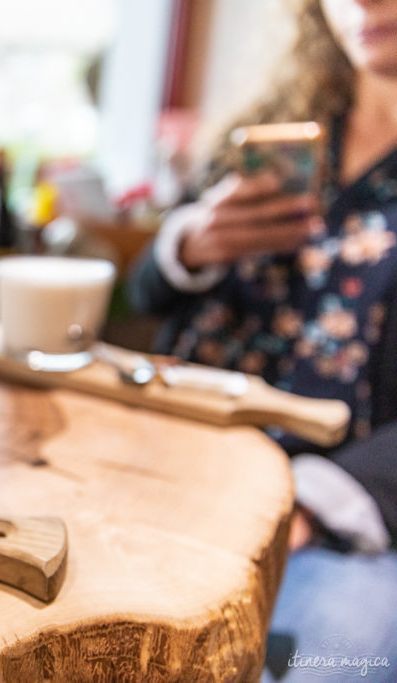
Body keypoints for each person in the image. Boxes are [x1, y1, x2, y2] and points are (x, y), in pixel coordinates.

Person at [128, 0, 397, 679]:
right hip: (174, 464)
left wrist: (307, 504)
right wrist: (187, 244)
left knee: (332, 659)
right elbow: (143, 292)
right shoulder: (275, 129)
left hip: (341, 516)